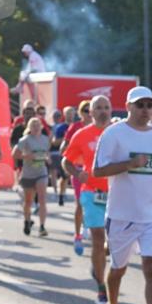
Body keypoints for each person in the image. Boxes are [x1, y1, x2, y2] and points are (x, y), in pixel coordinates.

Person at [92, 86, 152, 304]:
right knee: (118, 269)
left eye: (149, 105)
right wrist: (129, 164)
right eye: (140, 105)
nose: (145, 110)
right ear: (128, 106)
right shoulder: (113, 134)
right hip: (122, 215)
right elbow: (97, 170)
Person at [63, 95, 113, 304]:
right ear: (90, 112)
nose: (103, 111)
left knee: (113, 243)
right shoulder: (82, 134)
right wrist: (77, 173)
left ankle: (98, 260)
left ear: (111, 110)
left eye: (106, 107)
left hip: (116, 194)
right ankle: (101, 287)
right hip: (91, 192)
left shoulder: (118, 132)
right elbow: (66, 161)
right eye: (98, 108)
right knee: (98, 237)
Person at [62, 100, 93, 254]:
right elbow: (64, 148)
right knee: (81, 203)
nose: (89, 113)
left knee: (99, 203)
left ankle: (92, 229)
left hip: (95, 172)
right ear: (80, 113)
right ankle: (78, 236)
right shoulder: (75, 128)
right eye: (86, 110)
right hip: (79, 170)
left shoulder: (100, 128)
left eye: (90, 110)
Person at [13, 117, 51, 236]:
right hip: (28, 174)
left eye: (37, 125)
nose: (35, 127)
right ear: (29, 128)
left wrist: (47, 158)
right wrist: (27, 156)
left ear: (41, 127)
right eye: (33, 125)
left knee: (42, 199)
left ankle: (42, 226)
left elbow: (46, 153)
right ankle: (27, 221)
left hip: (41, 173)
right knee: (28, 201)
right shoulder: (25, 140)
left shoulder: (45, 139)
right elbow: (14, 154)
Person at [50, 106, 76, 206]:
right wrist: (66, 139)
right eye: (68, 113)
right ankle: (61, 195)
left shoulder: (77, 126)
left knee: (72, 176)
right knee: (64, 176)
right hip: (63, 155)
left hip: (75, 155)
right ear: (64, 115)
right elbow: (54, 142)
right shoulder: (60, 127)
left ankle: (74, 195)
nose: (70, 115)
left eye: (72, 113)